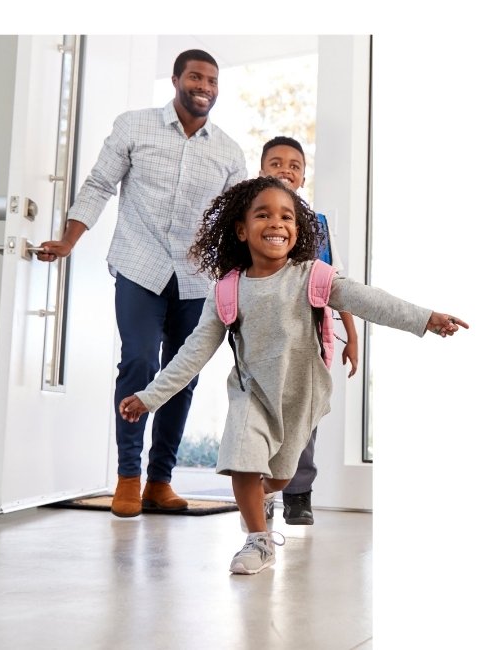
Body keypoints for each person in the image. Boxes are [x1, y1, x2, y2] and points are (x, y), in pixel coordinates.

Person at [118, 175, 468, 574]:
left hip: (302, 395)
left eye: (286, 217)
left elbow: (370, 301)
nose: (276, 224)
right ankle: (257, 540)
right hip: (252, 392)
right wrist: (150, 396)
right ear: (241, 228)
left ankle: (265, 496)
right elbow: (192, 354)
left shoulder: (312, 276)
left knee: (279, 478)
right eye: (263, 215)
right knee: (244, 460)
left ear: (297, 230)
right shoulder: (226, 291)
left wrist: (425, 319)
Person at [36, 49, 247, 518]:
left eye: (212, 80)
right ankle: (128, 477)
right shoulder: (134, 126)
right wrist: (69, 241)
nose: (205, 87)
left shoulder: (230, 152)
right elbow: (98, 185)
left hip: (197, 278)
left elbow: (237, 223)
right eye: (196, 77)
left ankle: (160, 480)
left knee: (182, 375)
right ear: (176, 79)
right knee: (137, 361)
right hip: (139, 265)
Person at [259, 135, 358, 526]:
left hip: (309, 339)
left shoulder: (316, 226)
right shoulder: (248, 218)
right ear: (262, 169)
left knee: (305, 415)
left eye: (295, 165)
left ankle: (298, 495)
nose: (286, 169)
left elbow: (335, 282)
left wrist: (350, 335)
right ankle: (260, 491)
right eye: (277, 162)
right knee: (260, 416)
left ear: (303, 176)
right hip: (261, 338)